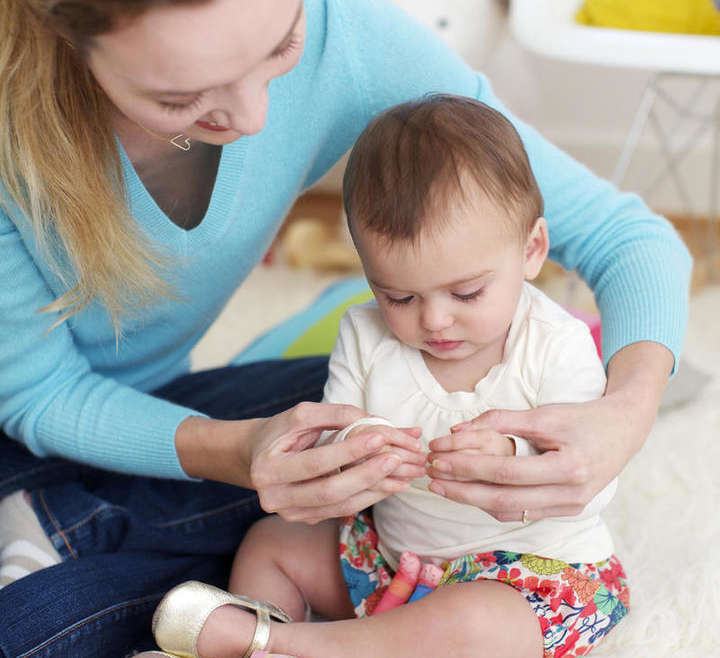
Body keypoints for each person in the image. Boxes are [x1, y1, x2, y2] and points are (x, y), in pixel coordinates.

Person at [0, 0, 689, 656]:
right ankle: (67, 531)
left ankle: (267, 638)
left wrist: (624, 411)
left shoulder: (348, 38)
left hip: (167, 413)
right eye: (180, 99)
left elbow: (629, 241)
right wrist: (273, 452)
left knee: (331, 411)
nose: (255, 117)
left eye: (281, 47)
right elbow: (38, 393)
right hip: (30, 424)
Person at [142, 94, 629, 658]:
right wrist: (354, 451)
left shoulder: (556, 344)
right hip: (391, 565)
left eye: (467, 292)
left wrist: (514, 458)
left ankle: (283, 645)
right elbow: (336, 430)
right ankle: (288, 623)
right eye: (398, 295)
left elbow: (590, 481)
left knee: (471, 624)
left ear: (531, 250)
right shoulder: (366, 334)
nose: (434, 320)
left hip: (531, 581)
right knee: (274, 541)